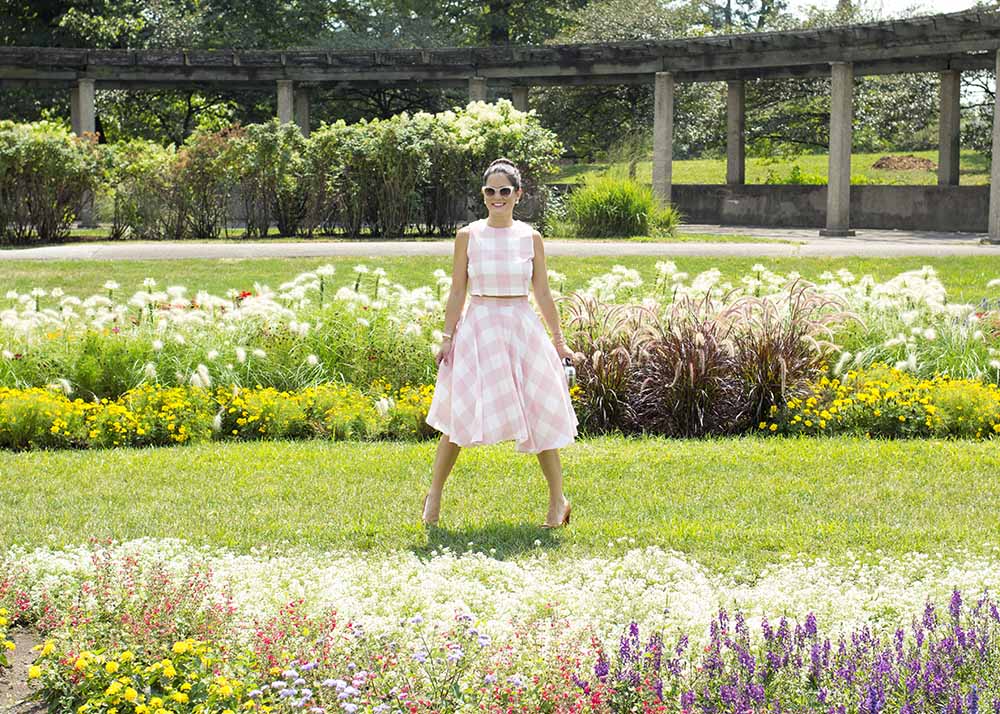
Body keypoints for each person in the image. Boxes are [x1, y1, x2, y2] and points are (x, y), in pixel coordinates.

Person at [423, 157, 579, 529]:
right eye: (490, 191)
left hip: (521, 329)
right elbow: (457, 289)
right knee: (458, 419)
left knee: (538, 415)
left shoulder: (531, 237)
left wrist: (559, 343)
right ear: (483, 194)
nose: (497, 197)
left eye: (504, 191)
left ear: (518, 194)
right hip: (478, 328)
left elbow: (542, 292)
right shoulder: (468, 236)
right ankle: (434, 497)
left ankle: (559, 502)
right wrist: (446, 338)